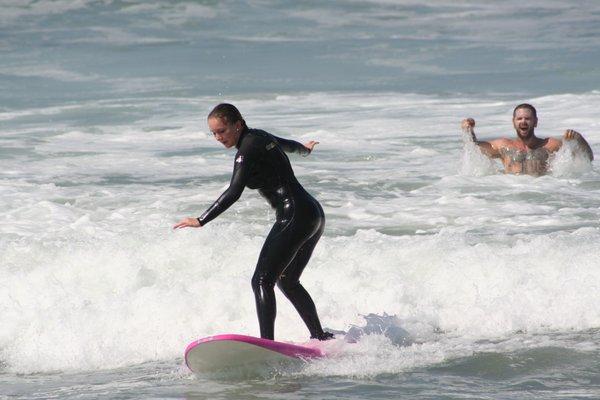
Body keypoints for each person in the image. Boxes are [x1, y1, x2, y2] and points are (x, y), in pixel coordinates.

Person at [173, 103, 333, 341]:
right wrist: (305, 150)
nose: (218, 137)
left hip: (295, 215)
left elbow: (234, 191)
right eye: (214, 133)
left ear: (238, 124)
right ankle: (320, 337)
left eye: (222, 131)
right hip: (312, 214)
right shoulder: (259, 136)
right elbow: (287, 145)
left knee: (261, 280)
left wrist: (201, 220)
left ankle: (267, 344)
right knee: (287, 280)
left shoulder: (245, 151)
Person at [462, 103, 593, 175]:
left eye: (527, 118)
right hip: (510, 194)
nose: (523, 121)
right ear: (513, 122)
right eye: (519, 119)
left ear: (535, 122)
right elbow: (475, 148)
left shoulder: (550, 145)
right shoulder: (503, 146)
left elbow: (587, 157)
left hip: (542, 193)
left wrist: (579, 139)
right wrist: (468, 131)